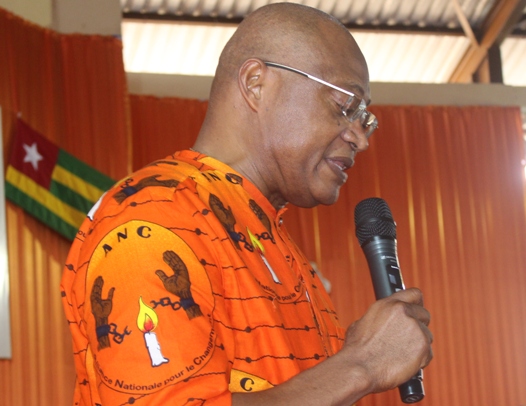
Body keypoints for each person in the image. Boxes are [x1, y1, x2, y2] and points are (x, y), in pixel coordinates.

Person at [61, 3, 433, 405]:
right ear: (256, 84)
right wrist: (360, 365)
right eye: (346, 106)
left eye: (366, 119)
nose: (360, 138)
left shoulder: (276, 245)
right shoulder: (153, 220)